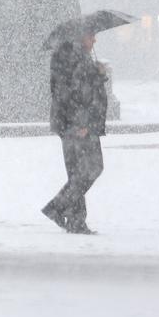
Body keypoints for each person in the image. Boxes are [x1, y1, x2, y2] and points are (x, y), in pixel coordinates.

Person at [42, 32, 109, 235]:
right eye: (91, 36)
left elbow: (79, 89)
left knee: (77, 174)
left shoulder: (73, 57)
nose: (94, 40)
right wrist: (81, 123)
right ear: (81, 38)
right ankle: (57, 207)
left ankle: (75, 221)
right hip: (80, 126)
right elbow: (73, 93)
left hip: (75, 125)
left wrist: (99, 74)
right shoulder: (75, 59)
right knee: (93, 168)